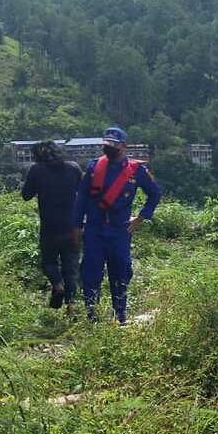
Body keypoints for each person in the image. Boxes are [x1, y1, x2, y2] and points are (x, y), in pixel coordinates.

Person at [72, 126, 161, 323]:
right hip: (94, 229)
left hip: (120, 230)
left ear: (123, 146)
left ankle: (120, 314)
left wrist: (140, 217)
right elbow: (81, 198)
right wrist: (77, 225)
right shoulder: (94, 167)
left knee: (120, 272)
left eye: (113, 145)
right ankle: (91, 314)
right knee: (90, 272)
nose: (109, 148)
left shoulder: (137, 170)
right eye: (106, 144)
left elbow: (155, 194)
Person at [21, 140, 83, 310]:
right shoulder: (73, 168)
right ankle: (71, 305)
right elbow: (84, 192)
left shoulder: (36, 170)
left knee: (49, 262)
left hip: (49, 227)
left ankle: (57, 286)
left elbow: (26, 195)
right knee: (71, 267)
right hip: (72, 227)